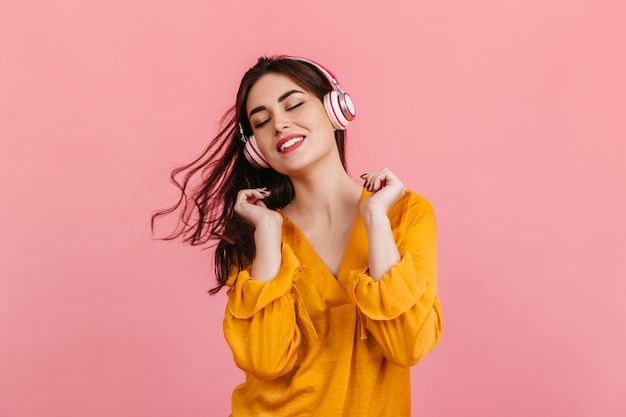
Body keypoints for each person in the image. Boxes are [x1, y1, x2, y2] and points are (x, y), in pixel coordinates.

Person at [153, 55, 443, 416]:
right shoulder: (257, 233)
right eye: (262, 121)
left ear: (335, 109)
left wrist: (375, 219)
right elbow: (265, 360)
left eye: (293, 104)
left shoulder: (404, 213)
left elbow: (406, 346)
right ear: (256, 148)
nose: (279, 124)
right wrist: (269, 235)